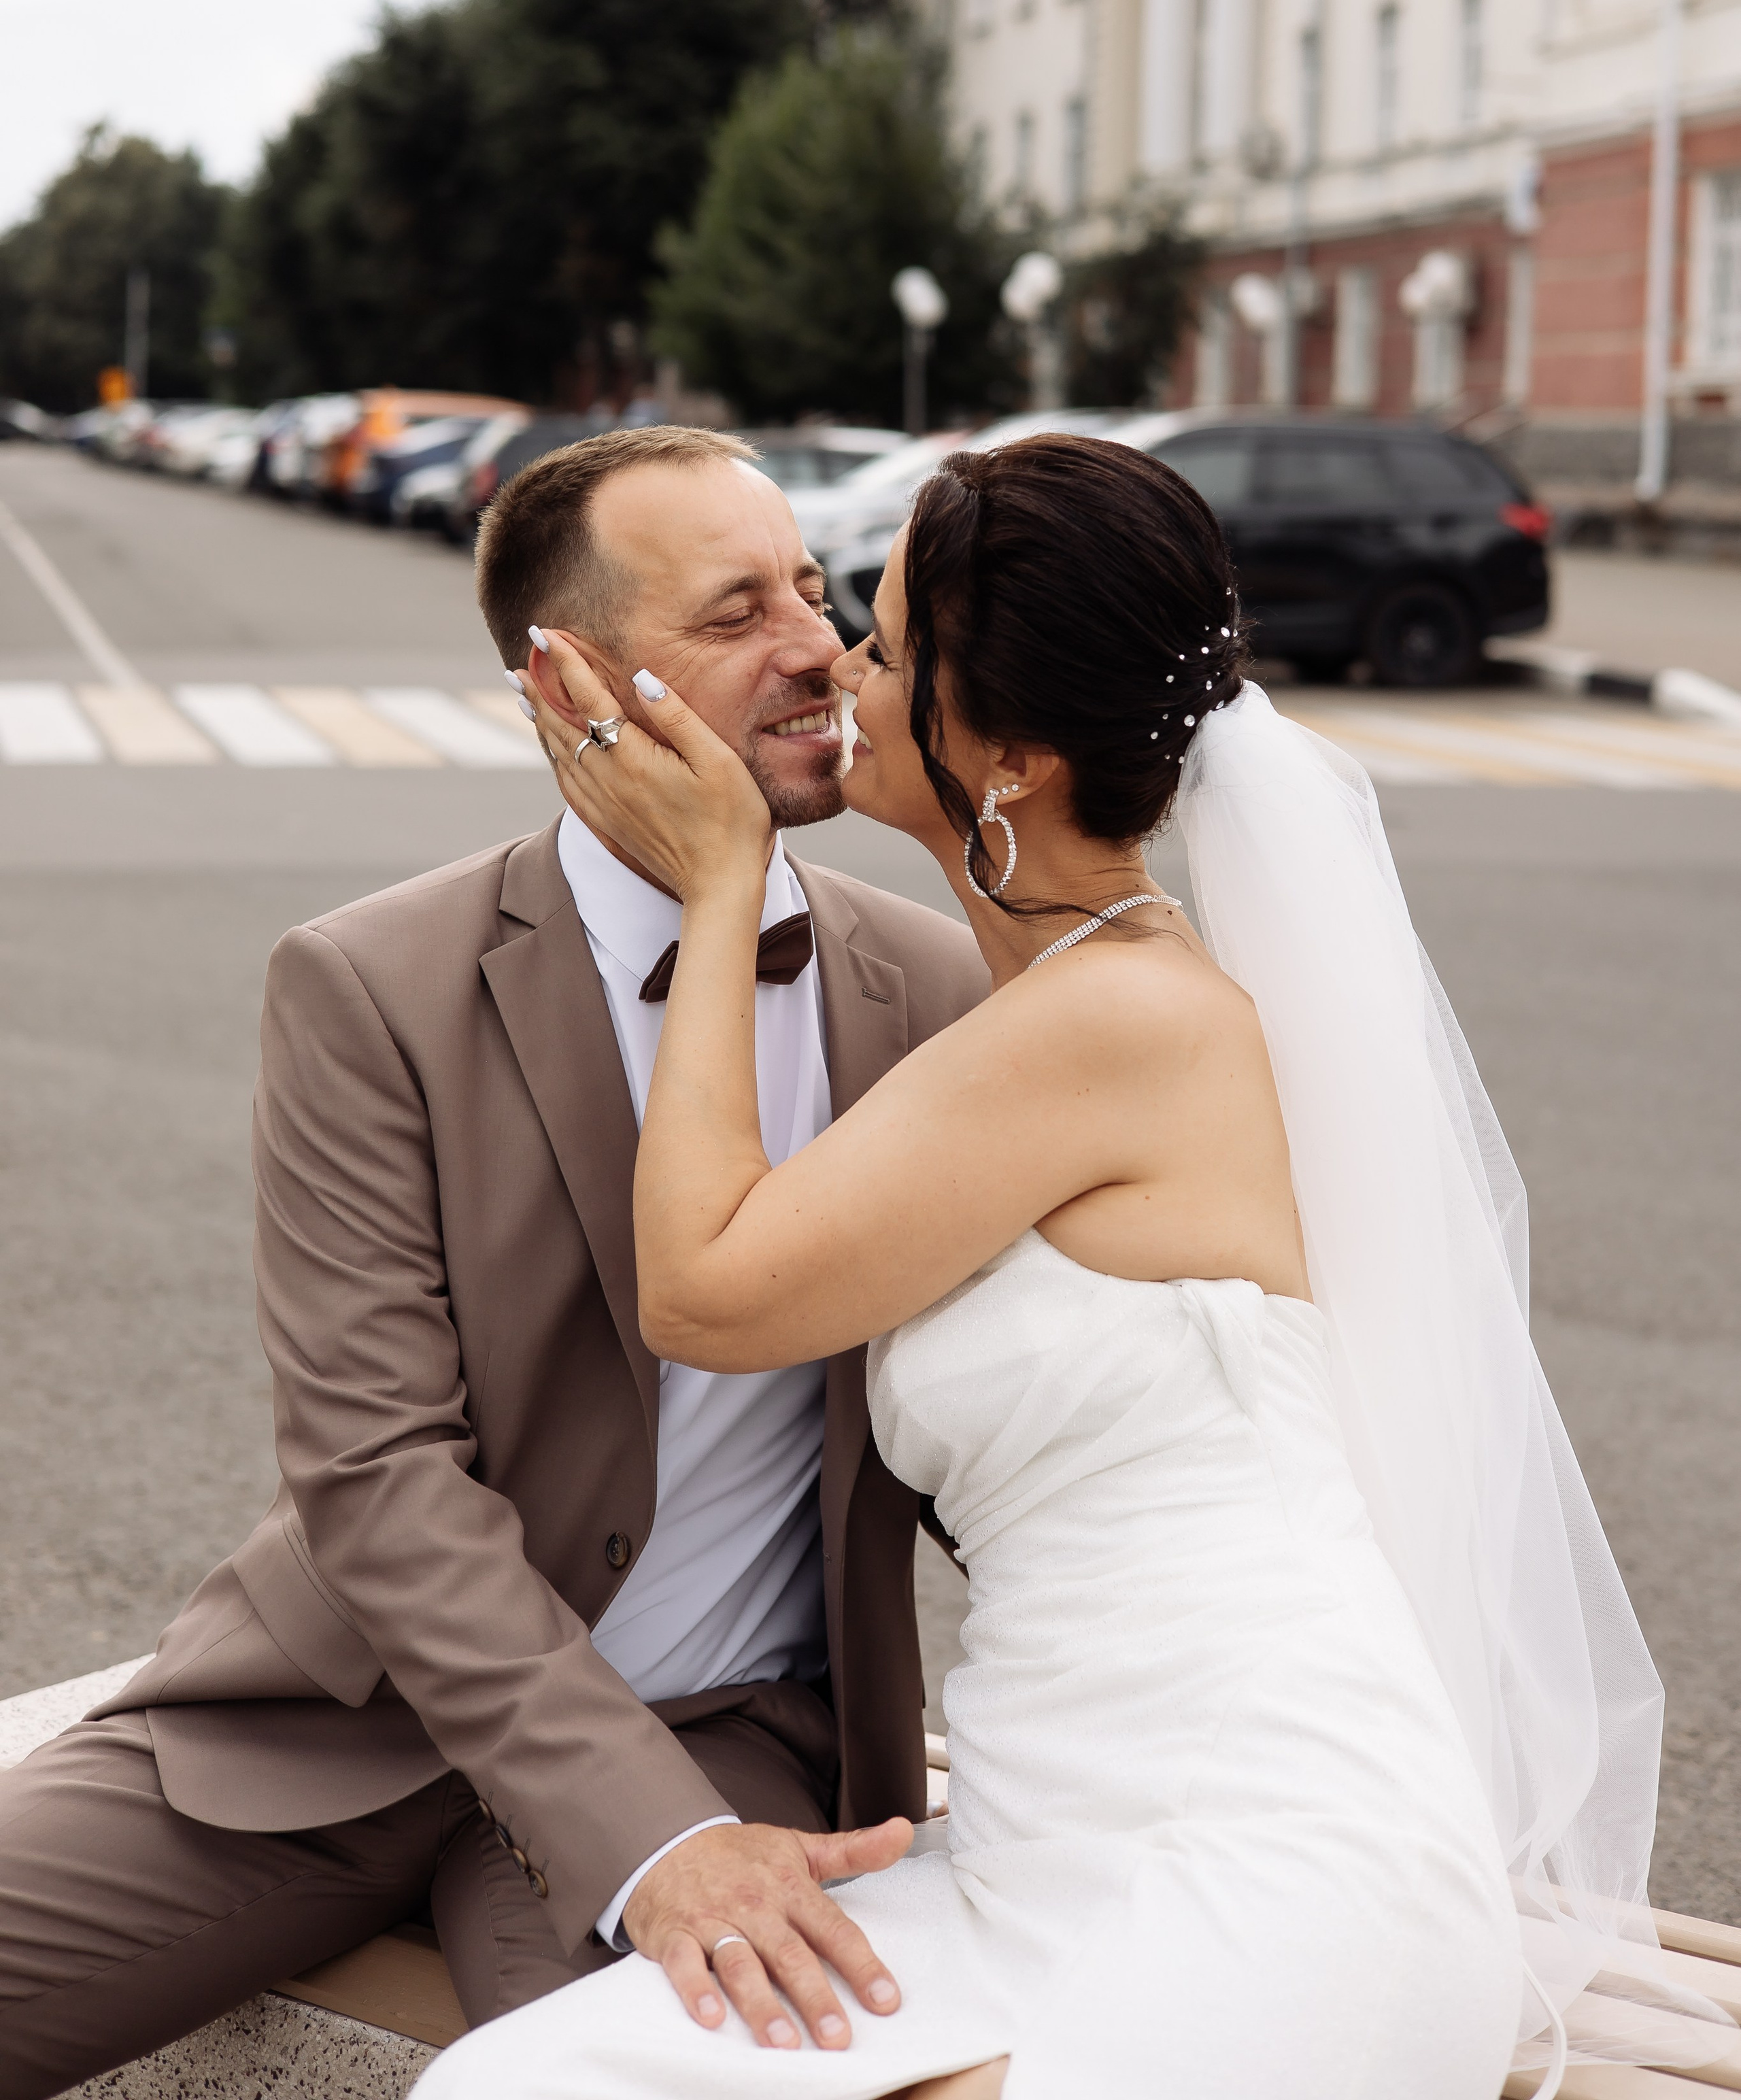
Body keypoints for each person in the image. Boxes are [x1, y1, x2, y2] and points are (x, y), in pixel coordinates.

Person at [417, 433, 1718, 2100]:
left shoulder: (1112, 1021)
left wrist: (723, 876)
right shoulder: (1064, 1010)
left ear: (1008, 760)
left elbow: (704, 1291)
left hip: (1267, 1863)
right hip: (1044, 1853)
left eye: (883, 643)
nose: (838, 668)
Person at [0, 426, 987, 2100]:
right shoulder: (368, 986)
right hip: (323, 1726)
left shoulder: (930, 998)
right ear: (567, 679)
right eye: (737, 610)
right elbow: (378, 1476)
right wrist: (648, 1838)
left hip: (724, 1737)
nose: (818, 648)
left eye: (813, 593)